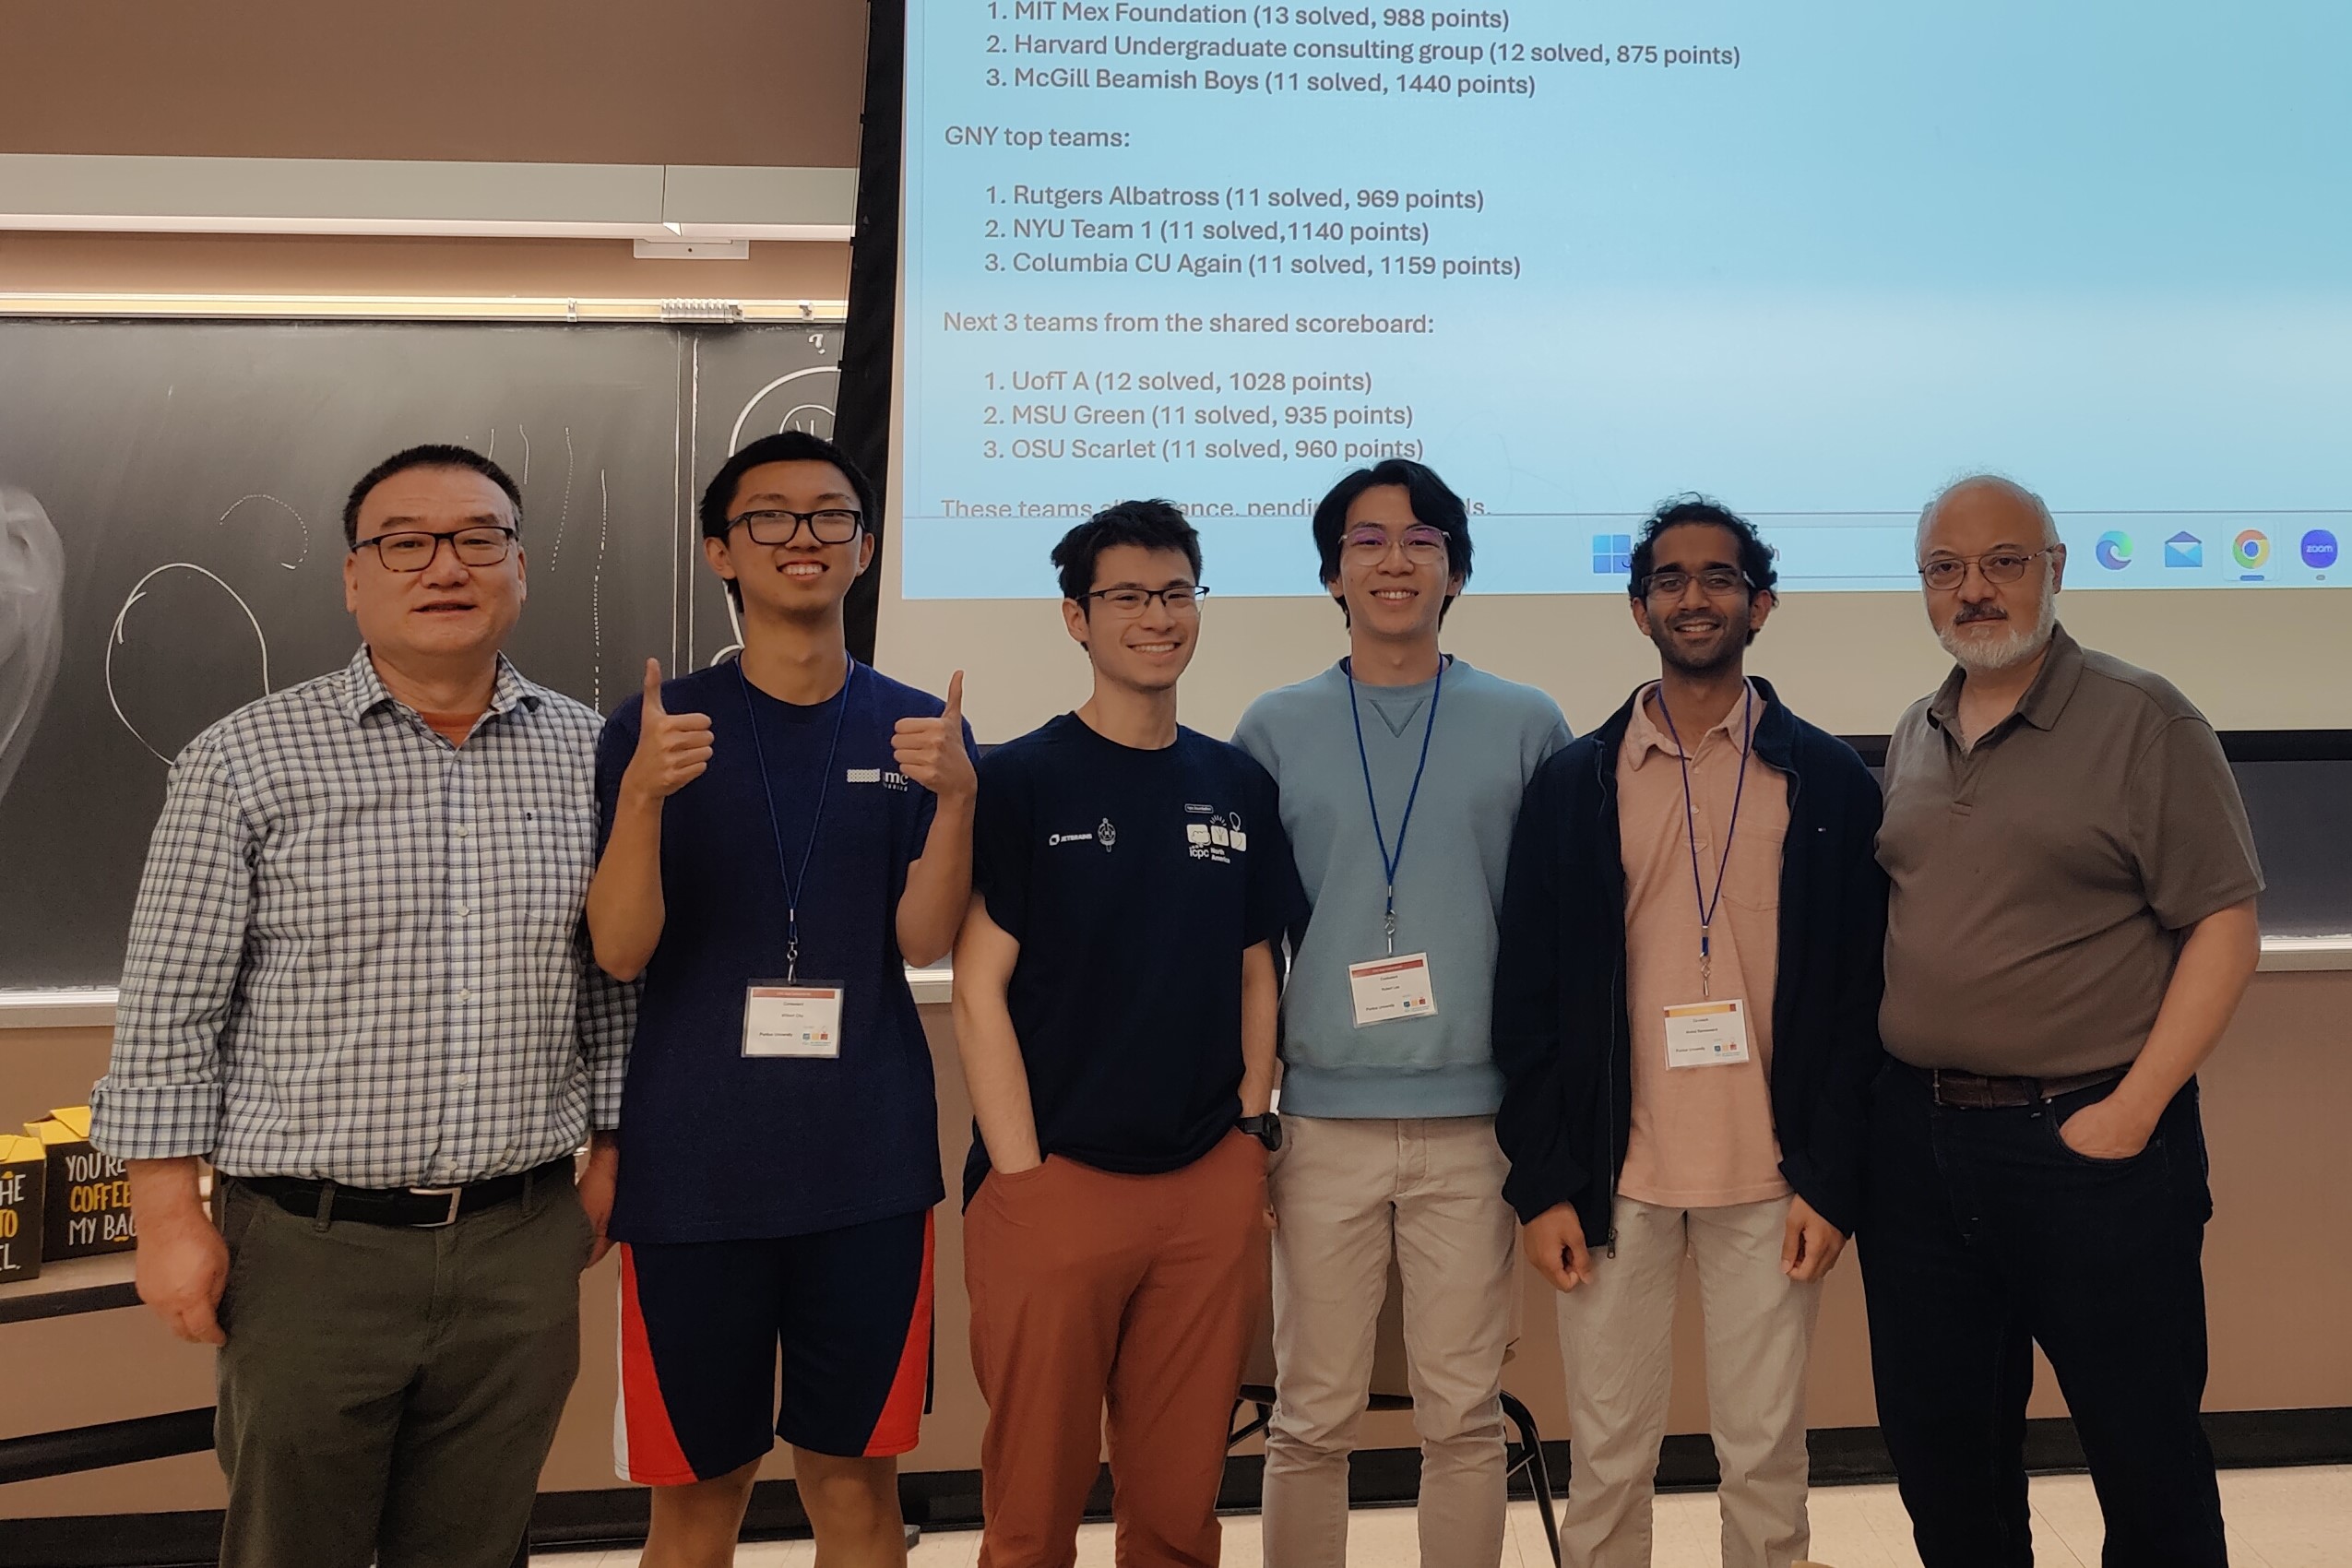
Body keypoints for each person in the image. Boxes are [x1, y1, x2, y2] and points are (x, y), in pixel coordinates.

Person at [91, 444, 631, 1568]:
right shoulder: (243, 761)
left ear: (519, 567)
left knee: (479, 1542)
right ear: (354, 576)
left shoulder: (593, 756)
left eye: (478, 538)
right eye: (407, 541)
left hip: (519, 1241)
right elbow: (169, 1007)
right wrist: (165, 1216)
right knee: (294, 1544)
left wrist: (616, 1153)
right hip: (307, 1248)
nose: (446, 565)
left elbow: (615, 984)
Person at [587, 431, 974, 1568]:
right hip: (693, 1174)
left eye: (829, 516)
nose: (801, 536)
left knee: (855, 1484)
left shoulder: (916, 729)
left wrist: (955, 801)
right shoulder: (654, 727)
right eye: (770, 516)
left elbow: (924, 939)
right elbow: (619, 950)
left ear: (864, 547)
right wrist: (647, 798)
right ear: (721, 547)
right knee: (697, 1496)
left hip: (866, 1166)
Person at [1864, 474, 2263, 1567]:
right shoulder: (1916, 727)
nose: (1974, 589)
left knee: (2146, 1465)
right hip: (1922, 1154)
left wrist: (2133, 1109)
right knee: (1946, 1463)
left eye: (2003, 560)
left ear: (2054, 567)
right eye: (1946, 568)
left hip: (2089, 1146)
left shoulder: (2146, 719)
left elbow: (2224, 928)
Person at [1493, 498, 1887, 1568]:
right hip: (1611, 1175)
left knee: (1765, 1455)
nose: (1694, 596)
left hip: (1773, 1175)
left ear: (1761, 602)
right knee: (1610, 1457)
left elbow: (1861, 1000)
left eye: (1719, 578)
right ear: (1638, 610)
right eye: (1669, 579)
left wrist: (1833, 1177)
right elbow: (1524, 997)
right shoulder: (1575, 784)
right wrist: (1543, 1181)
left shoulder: (1832, 784)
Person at [951, 499, 1302, 1568]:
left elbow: (1258, 968)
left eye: (1176, 592)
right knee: (1032, 1508)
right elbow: (977, 987)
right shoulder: (1019, 777)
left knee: (1179, 1504)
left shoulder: (1234, 780)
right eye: (1127, 597)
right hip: (1055, 1183)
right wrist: (1021, 1171)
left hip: (1207, 1184)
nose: (1157, 616)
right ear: (1076, 617)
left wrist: (1250, 1131)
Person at [1231, 459, 1570, 1568]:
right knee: (1311, 1416)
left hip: (1479, 1122)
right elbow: (1246, 944)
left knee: (1462, 1416)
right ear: (1333, 571)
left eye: (1421, 539)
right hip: (1321, 1117)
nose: (1394, 558)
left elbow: (1557, 933)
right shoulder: (1272, 729)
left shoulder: (1526, 722)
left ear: (1456, 570)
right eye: (1367, 540)